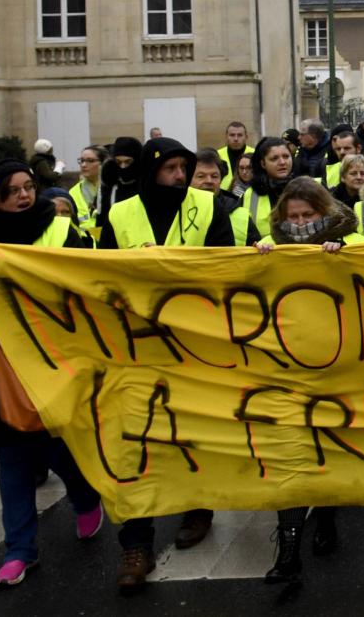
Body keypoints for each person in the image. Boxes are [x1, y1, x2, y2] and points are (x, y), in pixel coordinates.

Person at [0, 160, 104, 587]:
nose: (25, 196)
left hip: (54, 364)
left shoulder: (60, 231)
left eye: (29, 187)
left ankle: (86, 498)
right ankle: (20, 551)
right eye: (13, 191)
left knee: (56, 449)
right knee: (12, 458)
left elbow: (93, 283)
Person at [101, 138, 231, 592]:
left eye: (184, 167)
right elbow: (101, 276)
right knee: (134, 446)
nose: (179, 176)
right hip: (138, 350)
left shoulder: (208, 207)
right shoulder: (119, 213)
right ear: (149, 171)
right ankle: (135, 545)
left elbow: (224, 269)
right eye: (170, 168)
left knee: (192, 433)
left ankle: (197, 506)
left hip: (195, 345)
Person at [252, 177, 364, 582]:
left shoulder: (352, 241)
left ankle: (329, 518)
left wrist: (343, 256)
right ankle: (289, 552)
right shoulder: (273, 249)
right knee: (292, 454)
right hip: (289, 369)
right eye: (292, 216)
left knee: (327, 450)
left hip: (340, 368)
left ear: (325, 212)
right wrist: (260, 258)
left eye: (308, 215)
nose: (299, 223)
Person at [193, 148, 258, 246]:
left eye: (214, 176)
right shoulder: (176, 210)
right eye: (201, 176)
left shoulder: (241, 215)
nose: (209, 181)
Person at [243, 137, 296, 233]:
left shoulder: (305, 187)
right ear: (263, 164)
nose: (282, 162)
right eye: (274, 158)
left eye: (286, 156)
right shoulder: (250, 195)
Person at [97, 137, 143, 226]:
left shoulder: (146, 185)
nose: (123, 167)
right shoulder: (108, 187)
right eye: (118, 162)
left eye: (128, 162)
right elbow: (101, 219)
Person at [68, 146, 106, 237]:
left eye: (90, 161)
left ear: (103, 163)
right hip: (84, 244)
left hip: (108, 243)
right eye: (82, 161)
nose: (84, 165)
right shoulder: (73, 192)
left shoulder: (112, 190)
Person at [218, 121, 253, 191]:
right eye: (232, 135)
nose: (236, 139)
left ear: (246, 137)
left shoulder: (255, 154)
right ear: (226, 137)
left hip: (249, 194)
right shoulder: (217, 155)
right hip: (223, 197)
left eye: (240, 135)